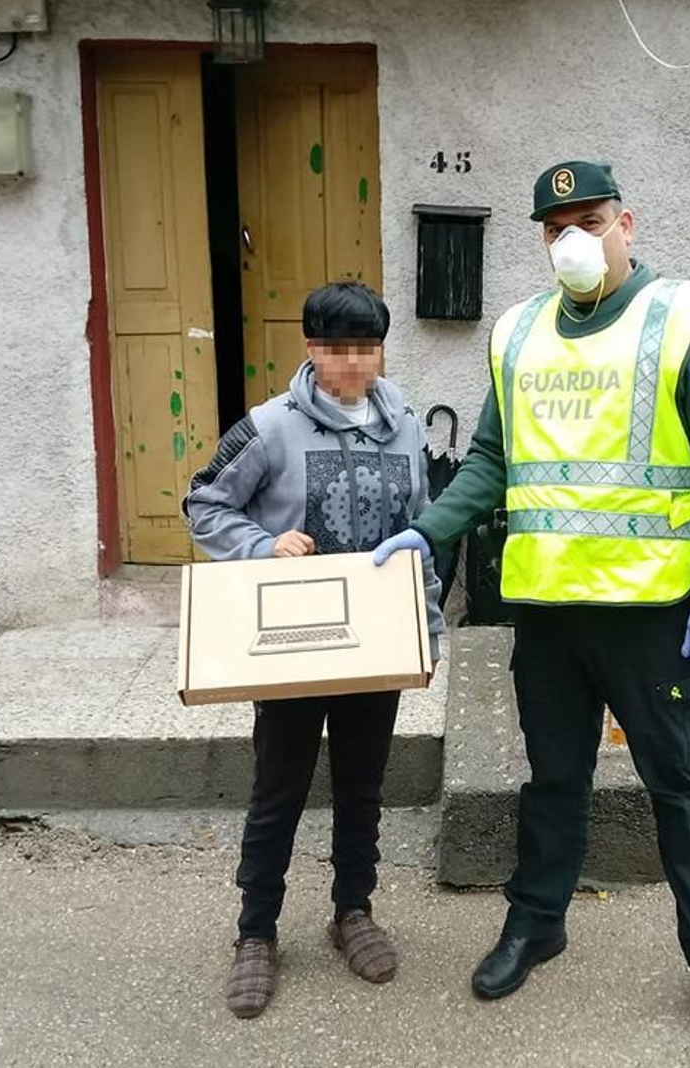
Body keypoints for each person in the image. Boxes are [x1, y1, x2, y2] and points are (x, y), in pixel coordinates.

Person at [373, 160, 690, 1062]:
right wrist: (429, 533)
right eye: (554, 229)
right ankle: (536, 923)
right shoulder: (518, 333)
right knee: (551, 783)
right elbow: (490, 460)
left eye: (588, 220)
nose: (572, 241)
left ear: (629, 221)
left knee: (683, 791)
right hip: (547, 611)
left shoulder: (689, 320)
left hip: (652, 612)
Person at [183, 281, 445, 1019]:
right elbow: (204, 501)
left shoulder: (404, 426)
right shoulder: (268, 429)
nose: (355, 362)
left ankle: (352, 911)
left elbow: (423, 530)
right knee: (279, 790)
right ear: (310, 349)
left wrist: (426, 629)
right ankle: (255, 933)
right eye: (339, 348)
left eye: (368, 347)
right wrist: (264, 545)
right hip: (293, 648)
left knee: (363, 785)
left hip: (377, 646)